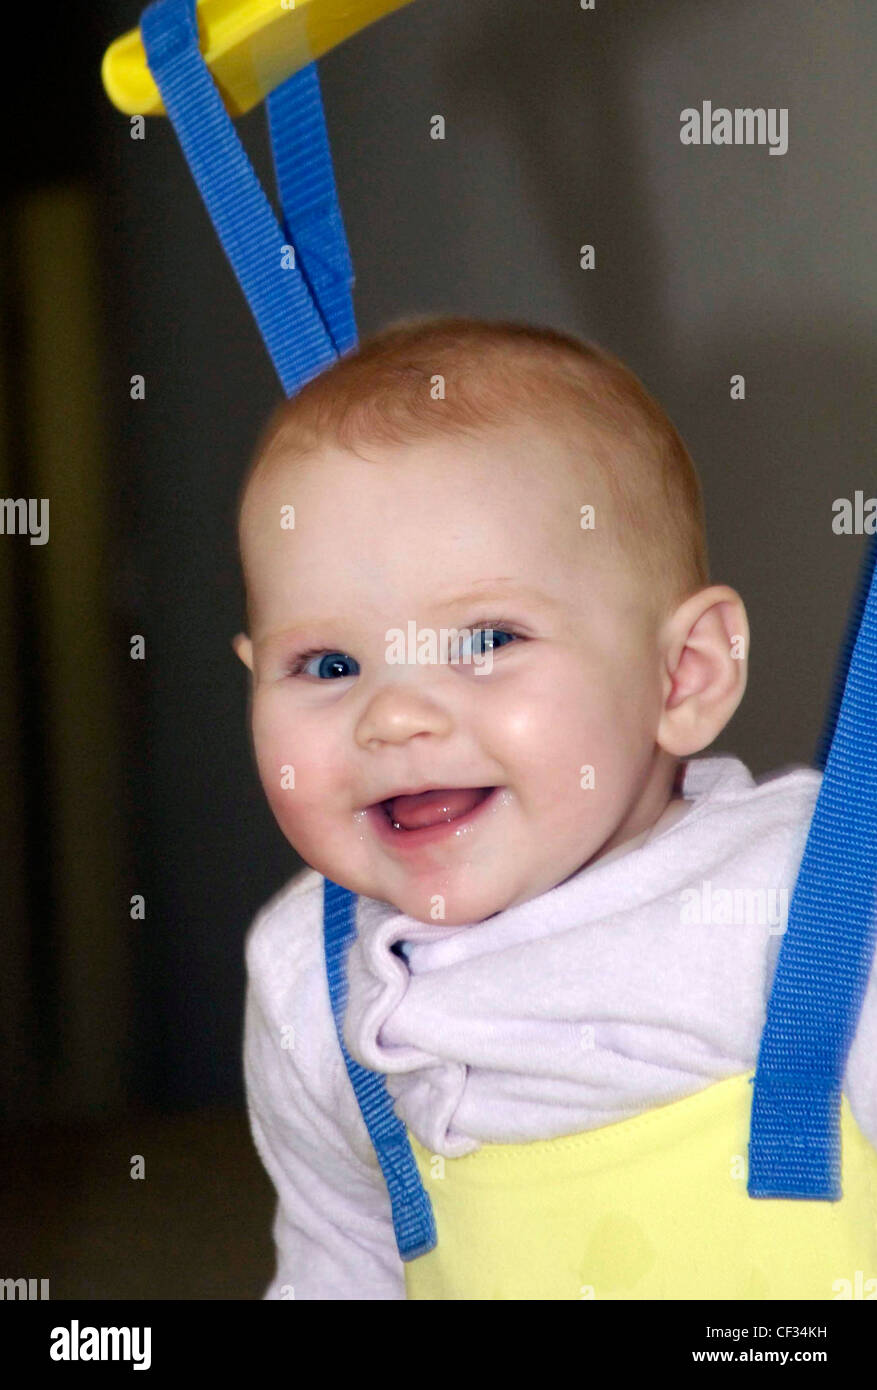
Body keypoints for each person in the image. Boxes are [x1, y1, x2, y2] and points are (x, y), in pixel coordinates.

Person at [232, 316, 877, 1299]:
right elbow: (335, 1269)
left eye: (486, 638)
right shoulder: (308, 981)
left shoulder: (810, 916)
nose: (394, 714)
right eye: (327, 664)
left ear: (683, 676)